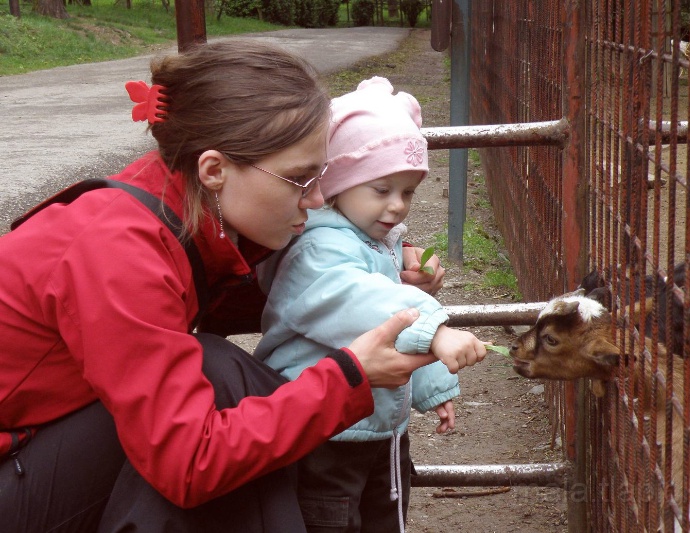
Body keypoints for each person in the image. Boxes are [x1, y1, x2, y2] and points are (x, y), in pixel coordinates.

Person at [0, 41, 459, 533]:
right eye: (300, 179)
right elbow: (189, 462)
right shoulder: (119, 249)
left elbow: (233, 297)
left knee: (223, 383)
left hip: (40, 440)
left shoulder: (175, 205)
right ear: (214, 169)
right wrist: (349, 376)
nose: (319, 198)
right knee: (222, 382)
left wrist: (374, 275)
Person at [254, 76, 487, 533]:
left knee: (385, 514)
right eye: (382, 190)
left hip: (378, 424)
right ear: (337, 183)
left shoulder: (377, 244)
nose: (398, 206)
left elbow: (391, 321)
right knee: (331, 520)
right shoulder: (317, 250)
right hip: (327, 433)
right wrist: (436, 331)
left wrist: (433, 387)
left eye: (408, 192)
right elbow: (363, 302)